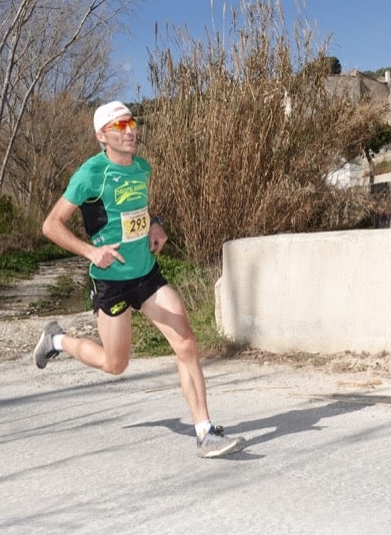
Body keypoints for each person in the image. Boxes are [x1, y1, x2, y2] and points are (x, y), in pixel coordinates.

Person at [32, 100, 245, 459]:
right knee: (115, 365)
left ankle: (205, 432)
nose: (130, 130)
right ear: (102, 135)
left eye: (131, 123)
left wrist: (156, 223)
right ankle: (56, 340)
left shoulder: (142, 168)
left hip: (146, 274)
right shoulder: (90, 175)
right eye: (119, 126)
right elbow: (51, 225)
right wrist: (90, 252)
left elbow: (139, 209)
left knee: (187, 343)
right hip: (110, 281)